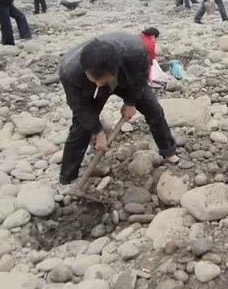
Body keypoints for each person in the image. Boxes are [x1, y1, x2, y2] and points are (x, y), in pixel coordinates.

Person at [58, 33, 179, 185]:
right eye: (94, 80)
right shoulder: (69, 72)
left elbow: (141, 76)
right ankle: (68, 177)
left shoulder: (135, 52)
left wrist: (130, 102)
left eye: (102, 81)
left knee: (154, 110)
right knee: (81, 127)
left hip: (127, 79)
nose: (98, 84)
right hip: (87, 88)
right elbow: (79, 107)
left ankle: (168, 150)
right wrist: (98, 131)